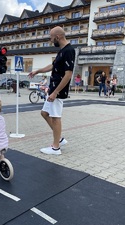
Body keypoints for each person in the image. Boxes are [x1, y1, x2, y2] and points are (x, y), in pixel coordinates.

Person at [28, 26, 75, 155]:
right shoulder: (62, 51)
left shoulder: (69, 50)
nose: (50, 40)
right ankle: (59, 138)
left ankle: (55, 148)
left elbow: (68, 74)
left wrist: (55, 92)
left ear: (58, 37)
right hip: (53, 88)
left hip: (58, 91)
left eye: (51, 38)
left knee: (55, 117)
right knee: (44, 113)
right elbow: (53, 66)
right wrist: (38, 70)